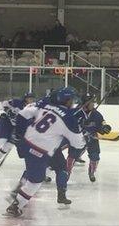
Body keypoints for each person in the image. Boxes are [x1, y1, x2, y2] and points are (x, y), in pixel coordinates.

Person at [5, 87, 86, 217]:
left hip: (25, 144)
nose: (72, 103)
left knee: (35, 172)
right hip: (39, 150)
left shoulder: (46, 104)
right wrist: (83, 134)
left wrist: (19, 132)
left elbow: (23, 114)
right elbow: (78, 144)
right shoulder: (69, 119)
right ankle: (16, 204)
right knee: (36, 180)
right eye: (71, 100)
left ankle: (18, 193)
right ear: (66, 101)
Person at [0, 91, 35, 165]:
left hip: (15, 127)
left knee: (10, 143)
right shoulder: (17, 102)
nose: (31, 100)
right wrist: (8, 110)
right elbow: (2, 105)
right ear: (25, 98)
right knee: (2, 139)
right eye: (29, 98)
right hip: (5, 122)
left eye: (32, 99)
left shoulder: (32, 110)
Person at [75, 93, 109, 182]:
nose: (93, 104)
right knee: (72, 156)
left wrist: (104, 128)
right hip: (78, 138)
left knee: (95, 157)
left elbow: (102, 124)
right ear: (85, 104)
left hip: (92, 138)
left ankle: (92, 172)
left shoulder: (96, 114)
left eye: (93, 102)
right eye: (91, 103)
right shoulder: (76, 113)